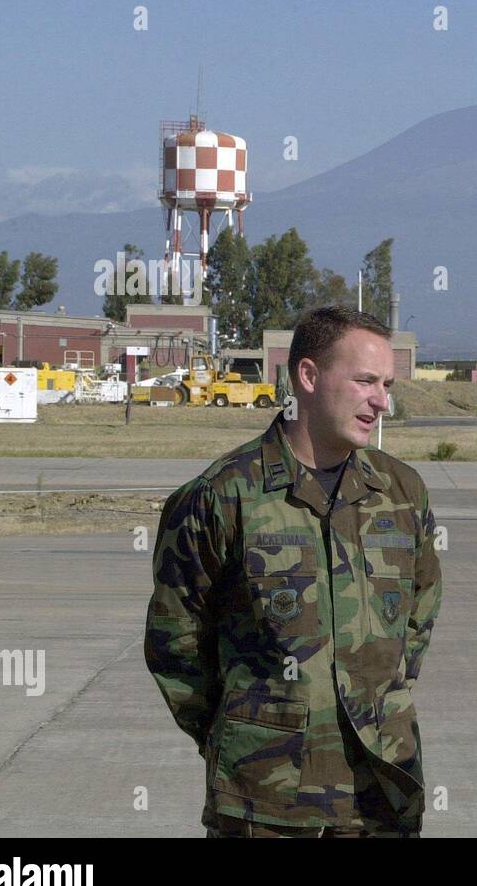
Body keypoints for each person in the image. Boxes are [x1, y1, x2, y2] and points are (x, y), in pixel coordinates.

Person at [145, 306, 443, 838]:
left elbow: (415, 626)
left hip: (382, 793)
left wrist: (379, 703)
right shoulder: (224, 496)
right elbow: (177, 645)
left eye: (388, 384)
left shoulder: (400, 493)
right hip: (267, 805)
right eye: (365, 381)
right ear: (307, 376)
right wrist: (243, 734)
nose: (382, 401)